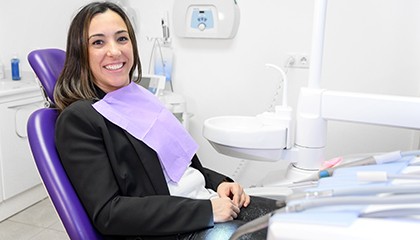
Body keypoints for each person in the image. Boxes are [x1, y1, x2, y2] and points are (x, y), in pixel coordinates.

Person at [54, 2, 278, 240]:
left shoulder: (138, 98)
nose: (115, 51)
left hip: (208, 202)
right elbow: (109, 213)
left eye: (122, 39)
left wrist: (220, 184)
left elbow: (179, 166)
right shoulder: (80, 119)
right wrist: (206, 211)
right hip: (175, 230)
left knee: (295, 218)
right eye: (98, 42)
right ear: (81, 51)